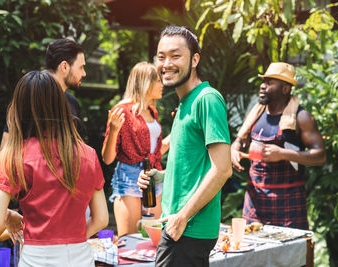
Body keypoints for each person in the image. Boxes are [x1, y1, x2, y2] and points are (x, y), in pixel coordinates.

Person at [0, 71, 108, 266]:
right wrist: (71, 240)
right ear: (61, 106)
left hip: (37, 258)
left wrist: (9, 216)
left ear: (19, 109)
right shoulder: (88, 154)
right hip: (81, 257)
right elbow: (102, 219)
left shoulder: (13, 156)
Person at [138, 26, 232, 267]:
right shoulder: (184, 104)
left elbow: (222, 169)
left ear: (194, 59)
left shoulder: (207, 99)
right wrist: (160, 177)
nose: (166, 63)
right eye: (161, 57)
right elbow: (194, 168)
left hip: (187, 229)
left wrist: (182, 218)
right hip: (178, 226)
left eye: (175, 55)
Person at [231, 62, 326, 230]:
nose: (262, 86)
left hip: (288, 202)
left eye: (269, 83)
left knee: (289, 253)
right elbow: (241, 140)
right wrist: (235, 149)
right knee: (252, 252)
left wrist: (283, 154)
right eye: (263, 81)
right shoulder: (256, 113)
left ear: (285, 89)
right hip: (255, 200)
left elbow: (320, 156)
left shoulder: (301, 117)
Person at [102, 62, 169, 237]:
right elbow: (108, 158)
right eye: (158, 81)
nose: (162, 85)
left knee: (154, 237)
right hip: (129, 177)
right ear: (145, 83)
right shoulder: (121, 111)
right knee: (130, 238)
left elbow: (155, 150)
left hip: (153, 176)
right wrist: (114, 130)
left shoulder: (152, 111)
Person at [0, 38, 87, 147]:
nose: (84, 73)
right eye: (81, 67)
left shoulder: (72, 103)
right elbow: (7, 144)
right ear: (64, 66)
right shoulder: (30, 96)